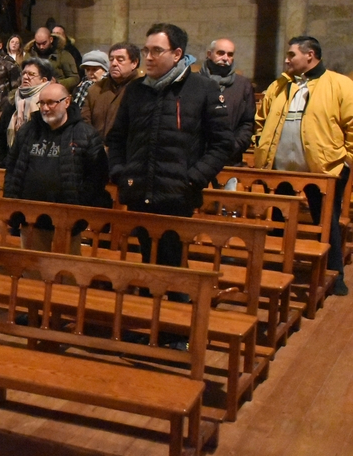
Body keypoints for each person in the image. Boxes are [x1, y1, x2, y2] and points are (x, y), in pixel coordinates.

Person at [106, 23, 232, 273]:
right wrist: (121, 172)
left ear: (176, 54)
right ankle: (148, 303)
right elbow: (117, 138)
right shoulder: (136, 90)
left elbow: (222, 143)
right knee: (147, 259)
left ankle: (177, 303)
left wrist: (194, 178)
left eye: (156, 51)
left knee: (173, 262)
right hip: (139, 189)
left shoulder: (202, 89)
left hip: (178, 193)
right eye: (146, 50)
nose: (148, 57)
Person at [255, 35, 353, 296]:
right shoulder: (280, 85)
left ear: (310, 55)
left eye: (292, 54)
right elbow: (260, 120)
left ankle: (334, 274)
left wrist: (346, 161)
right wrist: (260, 145)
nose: (286, 59)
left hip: (324, 171)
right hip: (280, 169)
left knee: (327, 221)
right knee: (277, 220)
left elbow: (352, 125)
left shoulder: (340, 84)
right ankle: (274, 271)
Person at [4, 83, 110, 252]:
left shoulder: (85, 133)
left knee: (66, 272)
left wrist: (80, 204)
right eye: (42, 103)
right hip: (31, 217)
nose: (45, 108)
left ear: (67, 102)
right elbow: (12, 167)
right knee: (32, 271)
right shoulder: (28, 131)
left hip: (67, 219)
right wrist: (13, 204)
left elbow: (98, 176)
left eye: (51, 103)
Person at [200, 38, 255, 167]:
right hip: (197, 158)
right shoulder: (195, 81)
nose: (225, 58)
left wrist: (233, 147)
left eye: (230, 55)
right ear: (209, 54)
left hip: (230, 158)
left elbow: (247, 123)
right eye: (220, 53)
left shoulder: (243, 85)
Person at [0, 58, 54, 167]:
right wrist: (2, 162)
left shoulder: (50, 104)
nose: (25, 77)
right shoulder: (13, 102)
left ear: (43, 80)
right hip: (12, 164)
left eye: (31, 74)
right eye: (24, 73)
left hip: (40, 167)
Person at [82, 42, 141, 139]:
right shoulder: (95, 89)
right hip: (96, 150)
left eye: (120, 60)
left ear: (134, 63)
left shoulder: (142, 90)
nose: (114, 64)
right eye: (111, 59)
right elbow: (84, 122)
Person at [24, 27, 79, 91]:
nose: (41, 47)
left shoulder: (63, 55)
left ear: (51, 39)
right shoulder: (30, 55)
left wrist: (58, 83)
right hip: (33, 92)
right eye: (38, 44)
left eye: (44, 43)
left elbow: (75, 78)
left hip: (56, 93)